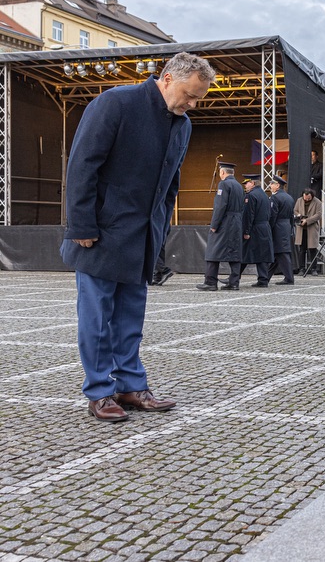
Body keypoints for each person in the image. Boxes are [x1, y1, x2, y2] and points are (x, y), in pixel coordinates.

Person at [60, 51, 214, 422]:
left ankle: (131, 385)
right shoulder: (116, 103)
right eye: (189, 95)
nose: (192, 104)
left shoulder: (183, 123)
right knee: (96, 318)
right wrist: (80, 225)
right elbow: (82, 165)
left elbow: (170, 184)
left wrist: (159, 231)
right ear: (166, 79)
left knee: (130, 319)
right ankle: (99, 391)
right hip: (100, 233)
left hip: (142, 236)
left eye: (198, 99)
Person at [198, 162, 244, 291]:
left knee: (213, 251)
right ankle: (234, 282)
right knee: (234, 252)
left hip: (225, 222)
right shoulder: (239, 186)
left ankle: (210, 282)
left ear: (222, 172)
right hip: (237, 222)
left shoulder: (223, 184)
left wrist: (214, 224)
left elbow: (220, 206)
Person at [240, 174, 274, 288]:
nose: (245, 186)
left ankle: (234, 277)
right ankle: (263, 279)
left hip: (254, 228)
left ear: (253, 183)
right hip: (264, 227)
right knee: (262, 254)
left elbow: (248, 216)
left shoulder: (250, 196)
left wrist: (246, 231)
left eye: (247, 183)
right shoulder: (264, 195)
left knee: (243, 253)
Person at [268, 175, 295, 284]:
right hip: (286, 226)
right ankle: (265, 277)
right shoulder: (289, 197)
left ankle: (289, 278)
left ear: (277, 185)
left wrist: (269, 228)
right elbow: (291, 215)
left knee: (281, 253)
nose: (270, 186)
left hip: (278, 227)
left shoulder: (275, 197)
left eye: (272, 184)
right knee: (277, 253)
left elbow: (273, 215)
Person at [293, 187, 323, 273]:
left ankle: (314, 268)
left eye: (308, 198)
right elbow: (295, 210)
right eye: (305, 198)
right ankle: (302, 268)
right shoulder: (299, 200)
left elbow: (318, 214)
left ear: (312, 196)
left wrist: (308, 220)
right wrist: (299, 215)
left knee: (312, 249)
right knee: (302, 250)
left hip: (312, 228)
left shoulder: (317, 202)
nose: (306, 200)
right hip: (301, 228)